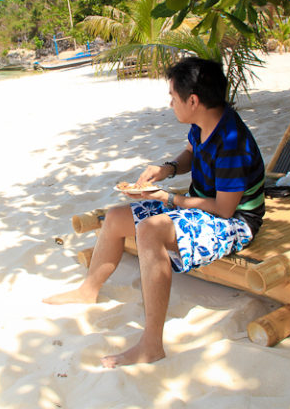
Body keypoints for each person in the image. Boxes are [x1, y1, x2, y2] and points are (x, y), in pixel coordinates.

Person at [44, 56, 265, 368]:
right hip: (204, 205)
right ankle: (88, 290)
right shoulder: (205, 122)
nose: (170, 103)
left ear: (193, 100)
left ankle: (151, 345)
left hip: (237, 222)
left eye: (173, 97)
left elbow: (226, 209)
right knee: (119, 216)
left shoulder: (232, 141)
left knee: (151, 229)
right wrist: (167, 169)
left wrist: (168, 199)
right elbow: (191, 153)